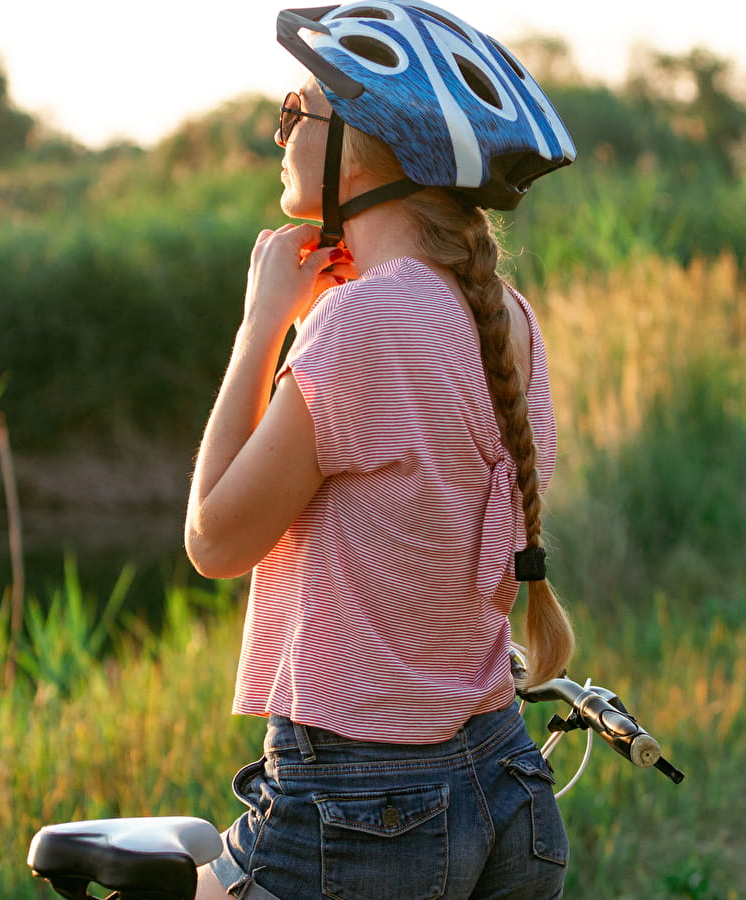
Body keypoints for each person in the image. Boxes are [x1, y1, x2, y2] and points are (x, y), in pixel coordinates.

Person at [185, 3, 578, 898]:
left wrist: (259, 327)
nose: (281, 132)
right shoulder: (507, 317)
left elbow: (213, 541)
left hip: (364, 806)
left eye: (298, 112)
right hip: (503, 781)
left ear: (362, 147)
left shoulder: (360, 321)